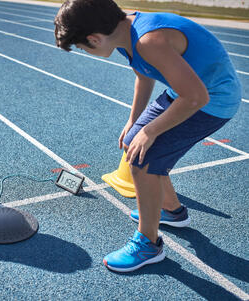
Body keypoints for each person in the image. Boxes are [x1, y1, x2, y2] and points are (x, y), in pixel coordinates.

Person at [54, 0, 241, 272]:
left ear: (94, 38)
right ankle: (172, 212)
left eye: (82, 47)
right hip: (185, 93)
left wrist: (150, 130)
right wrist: (134, 122)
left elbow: (196, 97)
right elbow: (143, 75)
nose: (85, 51)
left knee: (143, 158)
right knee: (134, 143)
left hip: (212, 102)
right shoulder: (122, 31)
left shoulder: (148, 40)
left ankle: (148, 244)